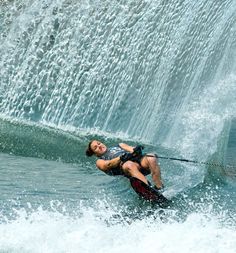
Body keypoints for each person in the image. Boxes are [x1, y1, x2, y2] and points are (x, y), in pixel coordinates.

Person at [85, 140, 164, 190]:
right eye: (96, 147)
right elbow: (108, 165)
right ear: (95, 154)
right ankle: (148, 189)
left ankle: (159, 187)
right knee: (129, 165)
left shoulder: (120, 145)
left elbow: (131, 149)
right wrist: (121, 158)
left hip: (137, 162)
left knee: (152, 158)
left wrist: (137, 149)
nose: (99, 146)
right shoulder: (100, 160)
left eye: (99, 143)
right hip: (126, 167)